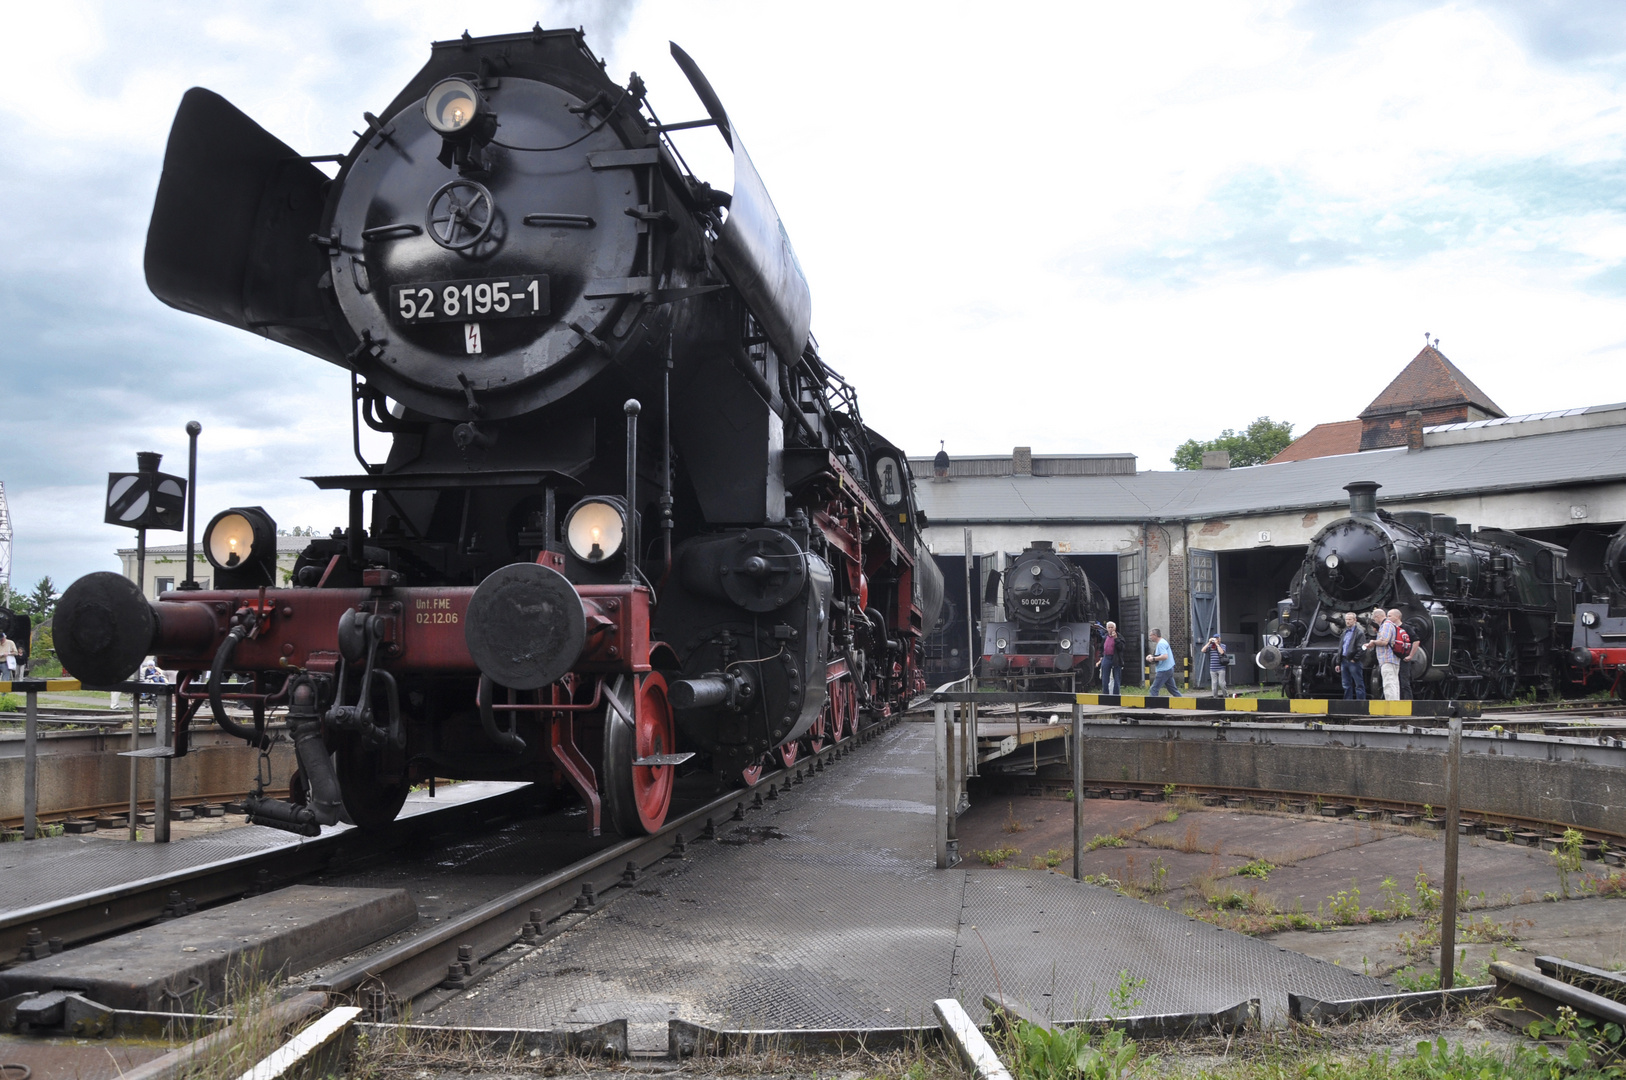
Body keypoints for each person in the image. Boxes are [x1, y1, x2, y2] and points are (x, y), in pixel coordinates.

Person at [1364, 606, 1400, 701]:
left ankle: (1391, 706)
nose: (1374, 621)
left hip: (1387, 658)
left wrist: (1373, 642)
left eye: (1374, 619)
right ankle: (1395, 705)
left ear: (1378, 617)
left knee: (1389, 683)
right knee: (1394, 682)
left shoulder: (1386, 625)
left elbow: (1384, 641)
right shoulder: (1390, 624)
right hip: (1391, 658)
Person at [1339, 612, 1368, 701]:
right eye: (1346, 619)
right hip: (1344, 660)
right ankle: (1348, 702)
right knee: (1346, 684)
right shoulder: (1344, 632)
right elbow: (1341, 647)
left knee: (1358, 683)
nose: (1347, 621)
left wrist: (1355, 658)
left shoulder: (1359, 632)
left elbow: (1362, 647)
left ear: (1355, 620)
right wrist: (1338, 661)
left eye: (1350, 619)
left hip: (1353, 661)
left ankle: (1361, 702)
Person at [1146, 629, 1182, 697]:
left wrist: (1153, 658)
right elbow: (1161, 655)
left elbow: (1165, 656)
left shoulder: (1161, 644)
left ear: (1155, 635)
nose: (1150, 637)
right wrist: (1152, 656)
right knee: (1172, 690)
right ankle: (1183, 703)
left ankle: (1151, 705)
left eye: (1151, 635)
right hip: (1168, 668)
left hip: (1163, 670)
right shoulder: (1163, 642)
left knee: (1154, 689)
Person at [1389, 609, 1414, 700]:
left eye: (1390, 616)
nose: (1388, 618)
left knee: (1404, 683)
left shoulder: (1406, 628)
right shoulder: (1390, 628)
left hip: (1403, 658)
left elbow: (1416, 640)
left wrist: (1410, 655)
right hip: (1392, 658)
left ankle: (1408, 702)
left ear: (1397, 617)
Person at [1099, 621, 1123, 695]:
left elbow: (1121, 648)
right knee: (1105, 677)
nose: (1110, 629)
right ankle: (1105, 694)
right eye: (1109, 627)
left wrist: (1116, 639)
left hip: (1116, 658)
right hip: (1106, 657)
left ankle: (1116, 695)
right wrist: (1100, 656)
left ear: (1115, 628)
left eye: (1112, 627)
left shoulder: (1119, 636)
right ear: (1106, 628)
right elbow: (1101, 647)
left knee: (1116, 678)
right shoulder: (1105, 637)